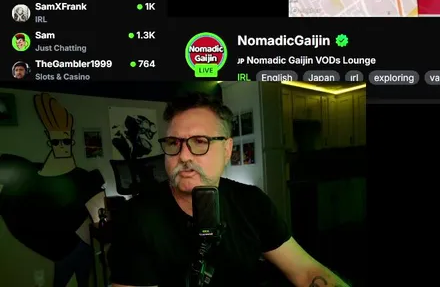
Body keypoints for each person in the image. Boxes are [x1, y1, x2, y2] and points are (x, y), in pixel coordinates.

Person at [108, 92, 350, 287]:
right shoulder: (136, 217)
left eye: (200, 142)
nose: (183, 156)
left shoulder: (252, 202)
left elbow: (307, 273)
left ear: (227, 150)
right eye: (173, 143)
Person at [0, 93, 106, 287]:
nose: (62, 147)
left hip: (75, 246)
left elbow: (100, 217)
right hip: (61, 249)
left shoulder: (81, 178)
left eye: (66, 142)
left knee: (80, 279)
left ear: (71, 141)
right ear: (50, 142)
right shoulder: (35, 177)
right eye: (57, 142)